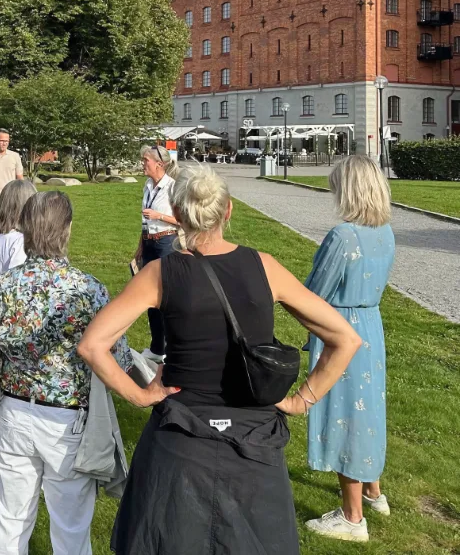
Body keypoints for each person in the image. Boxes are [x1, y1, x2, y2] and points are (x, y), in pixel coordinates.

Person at [77, 163, 362, 555]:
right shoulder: (265, 266)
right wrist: (301, 400)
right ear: (228, 211)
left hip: (180, 437)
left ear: (176, 216)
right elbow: (344, 338)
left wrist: (139, 394)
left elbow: (93, 344)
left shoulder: (161, 273)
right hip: (254, 441)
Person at [0, 191, 130, 555]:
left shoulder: (1, 288)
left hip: (14, 414)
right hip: (66, 421)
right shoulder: (88, 290)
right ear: (68, 230)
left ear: (25, 229)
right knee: (71, 529)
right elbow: (116, 359)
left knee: (10, 523)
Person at [303, 155, 396, 542]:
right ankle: (373, 492)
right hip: (370, 327)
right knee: (368, 409)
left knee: (345, 415)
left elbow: (314, 293)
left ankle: (352, 516)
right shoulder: (385, 230)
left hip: (340, 329)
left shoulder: (343, 236)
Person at [136, 145, 179, 363]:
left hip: (166, 242)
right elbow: (144, 221)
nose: (143, 163)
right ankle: (156, 347)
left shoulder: (172, 188)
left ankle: (172, 348)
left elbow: (183, 221)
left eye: (146, 160)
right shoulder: (147, 185)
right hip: (149, 243)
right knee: (149, 295)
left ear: (159, 164)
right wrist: (140, 246)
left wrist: (159, 215)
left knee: (167, 297)